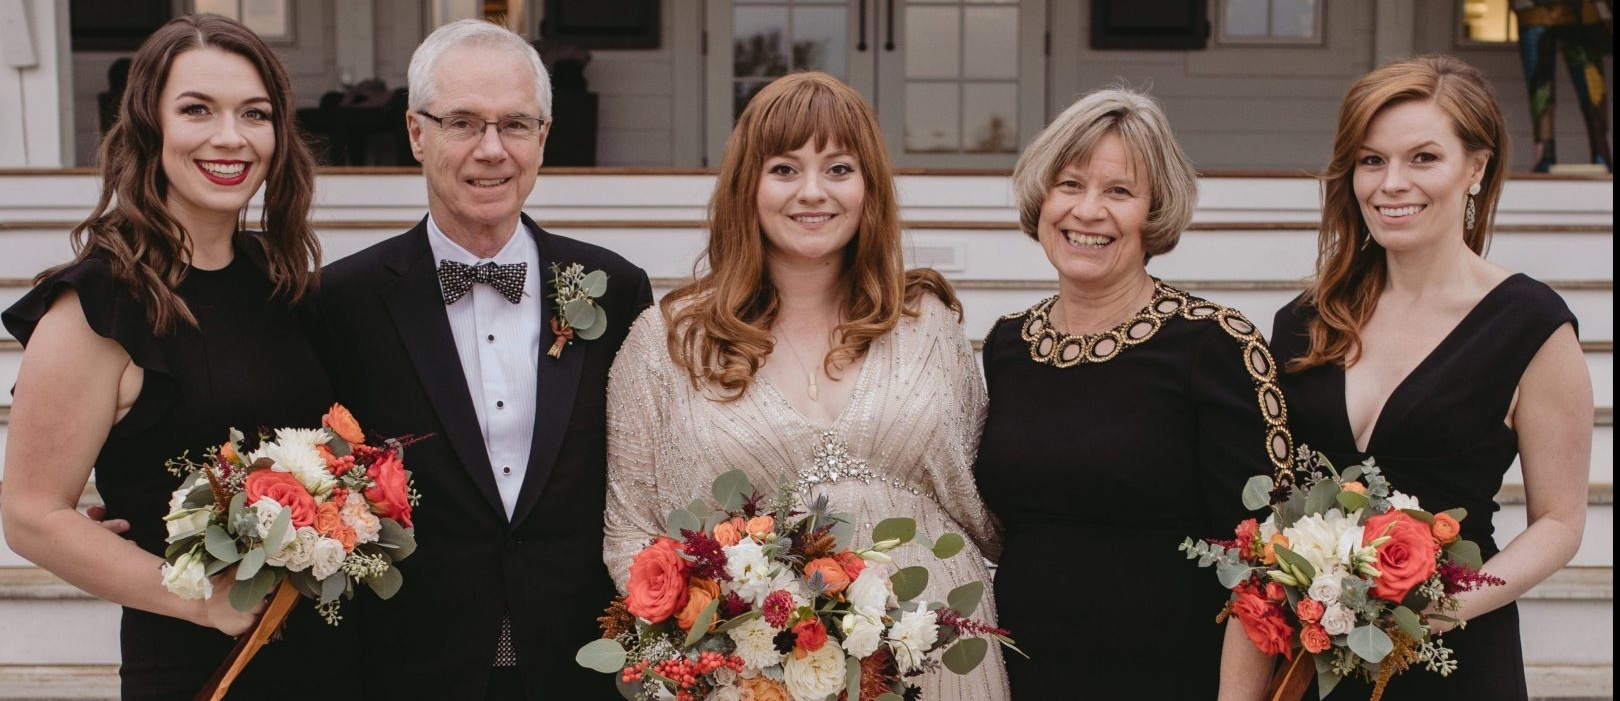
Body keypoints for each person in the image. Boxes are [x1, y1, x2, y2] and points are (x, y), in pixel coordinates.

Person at [603, 71, 1010, 700]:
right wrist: (718, 637)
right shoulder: (667, 342)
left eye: (840, 168)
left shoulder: (928, 327)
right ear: (748, 185)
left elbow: (990, 492)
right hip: (754, 676)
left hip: (938, 657)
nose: (813, 193)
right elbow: (630, 531)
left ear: (870, 186)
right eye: (785, 169)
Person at [0, 14, 355, 700]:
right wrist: (204, 601)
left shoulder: (283, 284)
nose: (230, 136)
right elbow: (31, 514)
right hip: (200, 664)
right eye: (197, 109)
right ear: (148, 126)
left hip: (329, 657)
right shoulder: (97, 306)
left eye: (255, 113)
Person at [315, 19, 652, 700]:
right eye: (463, 123)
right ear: (416, 133)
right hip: (408, 667)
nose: (492, 150)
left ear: (544, 137)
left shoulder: (615, 288)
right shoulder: (342, 302)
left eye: (515, 125)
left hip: (580, 664)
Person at [1238, 54, 1593, 700]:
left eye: (1423, 158)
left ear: (1476, 167)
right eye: (1371, 160)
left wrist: (1442, 606)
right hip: (1313, 658)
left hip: (1455, 654)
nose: (1390, 183)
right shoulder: (1303, 322)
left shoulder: (1530, 325)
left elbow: (1561, 522)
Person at [972, 87, 1293, 698]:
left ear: (1156, 212)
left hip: (1172, 676)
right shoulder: (1009, 346)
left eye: (1118, 191)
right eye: (1069, 184)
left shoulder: (1215, 346)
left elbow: (1265, 562)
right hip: (1024, 676)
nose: (1087, 211)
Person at [1512, 0, 1613, 171]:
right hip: (1534, 10)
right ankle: (1545, 155)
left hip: (1581, 12)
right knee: (1540, 91)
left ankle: (1601, 153)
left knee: (1592, 90)